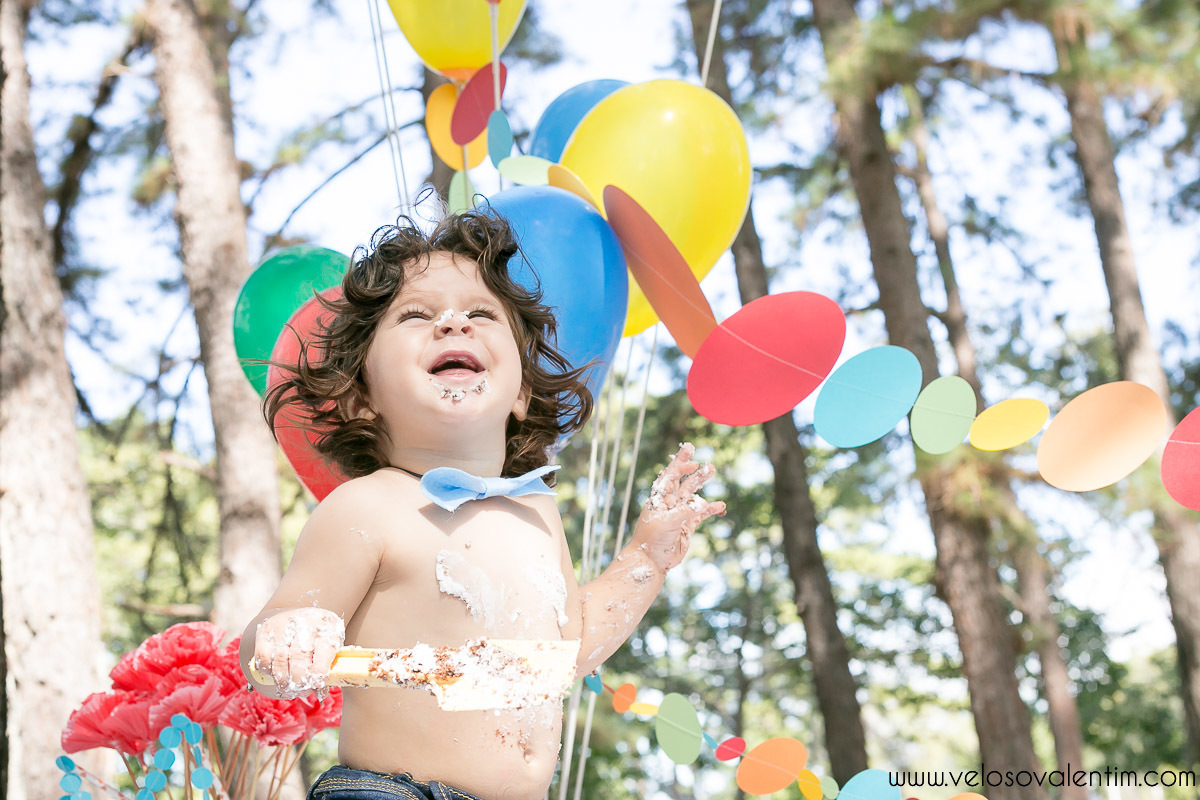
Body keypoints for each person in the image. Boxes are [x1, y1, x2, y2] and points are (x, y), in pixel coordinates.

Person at [241, 209, 725, 800]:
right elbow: (264, 646)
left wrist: (646, 559)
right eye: (417, 315)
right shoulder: (367, 507)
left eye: (480, 313)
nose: (453, 324)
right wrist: (292, 630)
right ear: (362, 396)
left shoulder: (537, 512)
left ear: (520, 390)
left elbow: (564, 654)